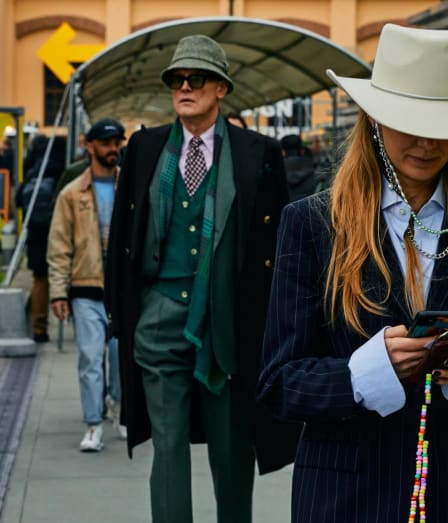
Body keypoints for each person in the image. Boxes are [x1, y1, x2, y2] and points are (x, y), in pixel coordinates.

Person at [257, 24, 448, 523]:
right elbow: (280, 384)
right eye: (409, 121)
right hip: (347, 496)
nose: (427, 141)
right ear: (373, 121)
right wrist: (369, 370)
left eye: (444, 123)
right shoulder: (313, 223)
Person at [105, 34, 300, 523]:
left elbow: (277, 244)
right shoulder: (146, 147)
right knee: (167, 445)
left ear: (221, 89)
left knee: (232, 447)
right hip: (158, 316)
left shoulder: (259, 152)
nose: (184, 87)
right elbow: (122, 237)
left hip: (230, 322)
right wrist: (118, 311)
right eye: (177, 79)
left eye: (196, 79)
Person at [47, 118, 127, 452]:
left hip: (122, 291)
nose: (113, 149)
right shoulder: (71, 193)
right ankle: (93, 423)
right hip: (85, 289)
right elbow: (59, 246)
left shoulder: (131, 187)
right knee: (91, 358)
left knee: (122, 359)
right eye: (107, 143)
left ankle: (120, 407)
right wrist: (58, 292)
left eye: (117, 142)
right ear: (90, 145)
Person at [15, 134, 67, 343]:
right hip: (58, 230)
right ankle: (66, 315)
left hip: (36, 232)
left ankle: (39, 328)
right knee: (62, 275)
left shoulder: (33, 170)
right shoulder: (61, 170)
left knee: (39, 280)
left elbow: (19, 200)